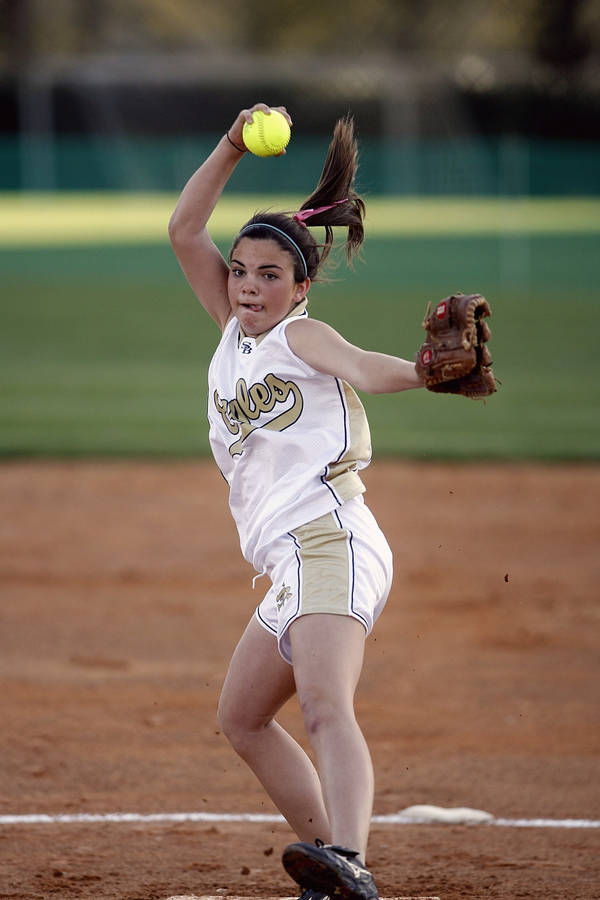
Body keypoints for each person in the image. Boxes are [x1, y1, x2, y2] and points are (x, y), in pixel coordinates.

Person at [168, 103, 423, 900]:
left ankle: (347, 855)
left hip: (329, 540)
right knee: (243, 717)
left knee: (322, 704)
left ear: (300, 286)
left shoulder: (298, 337)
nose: (248, 284)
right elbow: (184, 230)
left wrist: (424, 369)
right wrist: (233, 144)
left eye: (269, 275)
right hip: (290, 561)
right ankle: (329, 863)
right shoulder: (233, 333)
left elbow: (361, 364)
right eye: (240, 270)